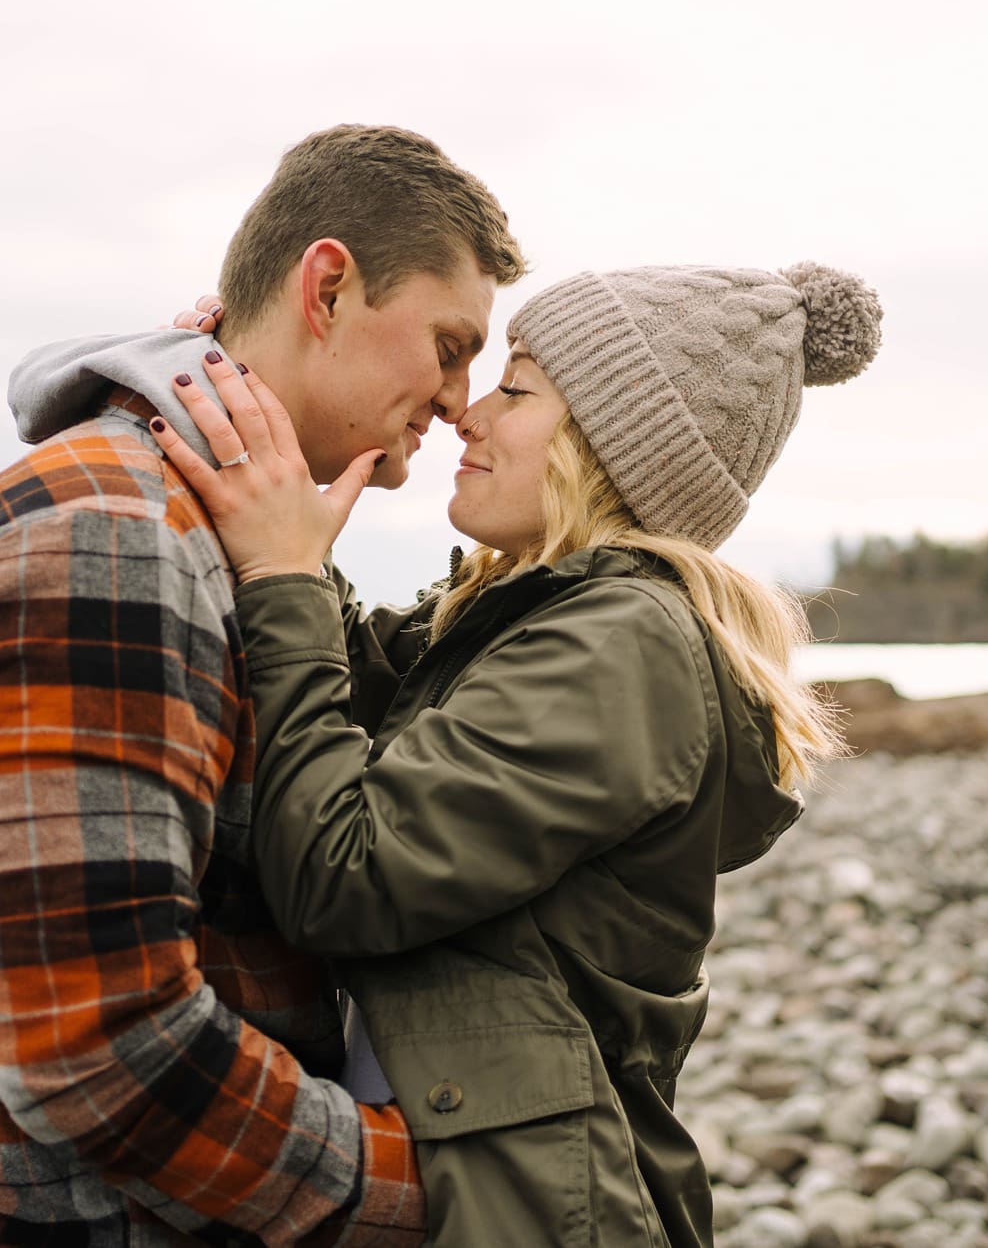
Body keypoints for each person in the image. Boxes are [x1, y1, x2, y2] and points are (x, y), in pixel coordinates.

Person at [0, 123, 524, 1246]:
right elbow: (94, 1049)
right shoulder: (106, 538)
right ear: (326, 287)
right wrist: (434, 1196)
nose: (461, 399)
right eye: (451, 344)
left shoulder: (202, 531)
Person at [148, 262, 883, 1245]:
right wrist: (251, 389)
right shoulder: (525, 621)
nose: (469, 413)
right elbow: (347, 681)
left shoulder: (623, 644)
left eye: (517, 388)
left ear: (606, 448)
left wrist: (284, 569)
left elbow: (344, 873)